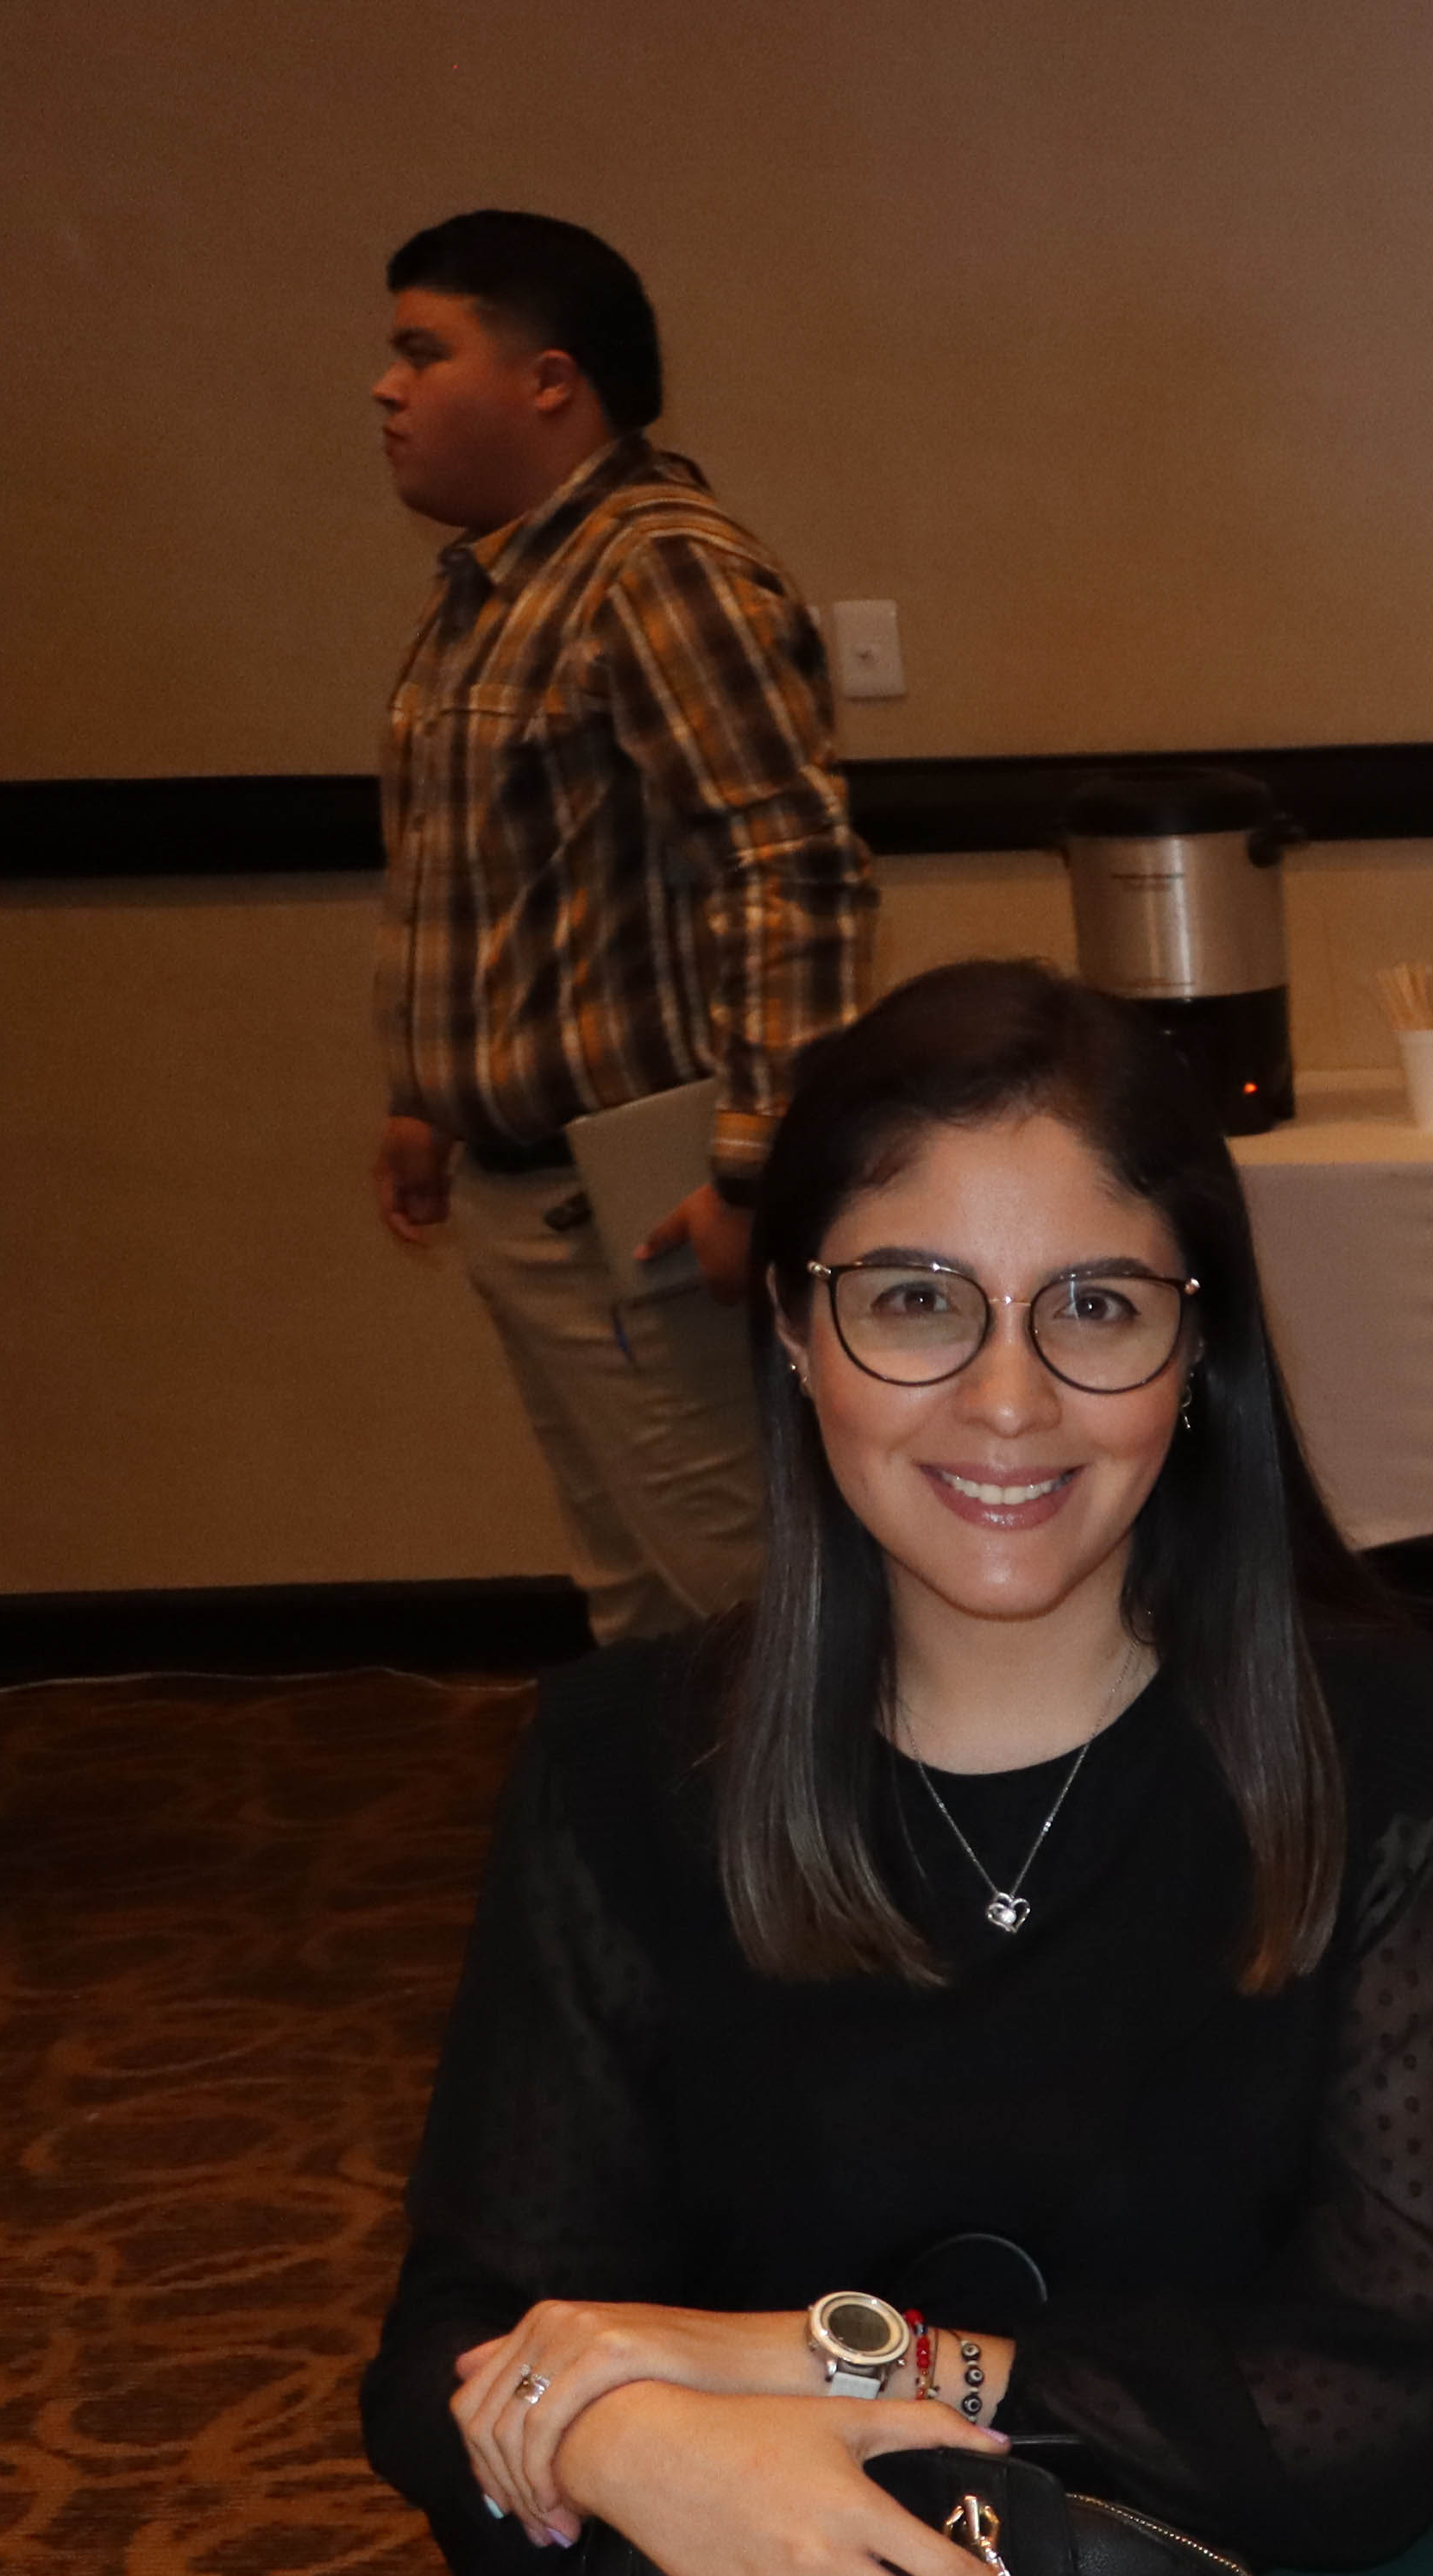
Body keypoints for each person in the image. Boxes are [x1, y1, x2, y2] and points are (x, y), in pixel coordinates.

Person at [364, 963, 1433, 2576]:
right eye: (918, 1301)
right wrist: (648, 2444)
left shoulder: (1391, 1751)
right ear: (789, 1322)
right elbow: (455, 2351)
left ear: (1195, 1345)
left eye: (1094, 1307)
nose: (1009, 1398)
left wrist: (819, 2363)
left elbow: (1381, 2392)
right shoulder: (624, 1764)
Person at [368, 209, 875, 1643]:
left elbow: (790, 871)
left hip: (649, 1200)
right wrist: (432, 1099)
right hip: (531, 1188)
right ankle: (710, 1872)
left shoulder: (655, 569)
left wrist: (758, 1162)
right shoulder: (496, 583)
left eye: (423, 351)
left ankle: (884, 1874)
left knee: (757, 1615)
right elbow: (499, 883)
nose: (385, 389)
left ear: (549, 378)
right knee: (645, 1615)